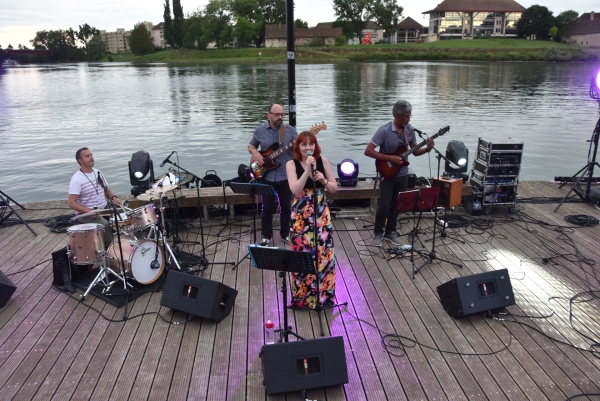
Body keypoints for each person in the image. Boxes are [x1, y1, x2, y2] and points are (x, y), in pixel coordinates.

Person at [364, 100, 434, 247]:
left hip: (402, 174)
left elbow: (415, 152)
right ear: (397, 115)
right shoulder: (384, 130)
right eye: (406, 117)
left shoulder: (410, 130)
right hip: (387, 173)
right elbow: (368, 151)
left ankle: (391, 232)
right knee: (384, 205)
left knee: (398, 204)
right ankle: (378, 233)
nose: (409, 119)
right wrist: (389, 158)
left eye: (410, 116)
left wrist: (428, 148)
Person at [286, 131, 337, 308]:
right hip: (301, 214)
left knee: (323, 255)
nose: (308, 148)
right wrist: (307, 169)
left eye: (311, 144)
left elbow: (334, 188)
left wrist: (323, 180)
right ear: (298, 147)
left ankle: (324, 297)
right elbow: (295, 189)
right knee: (302, 254)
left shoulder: (323, 161)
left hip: (321, 213)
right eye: (304, 144)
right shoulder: (291, 164)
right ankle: (303, 300)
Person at [248, 104, 297, 246]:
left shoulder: (290, 131)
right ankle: (266, 235)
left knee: (286, 207)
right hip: (266, 176)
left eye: (282, 114)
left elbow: (297, 150)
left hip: (285, 175)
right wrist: (256, 153)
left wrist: (296, 151)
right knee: (267, 207)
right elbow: (251, 146)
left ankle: (285, 233)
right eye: (276, 114)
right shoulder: (260, 130)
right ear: (269, 115)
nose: (280, 117)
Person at [68, 147, 123, 248]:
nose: (91, 158)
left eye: (91, 155)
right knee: (104, 225)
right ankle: (110, 250)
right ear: (80, 161)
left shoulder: (98, 173)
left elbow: (106, 190)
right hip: (87, 213)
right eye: (87, 156)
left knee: (125, 214)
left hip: (103, 207)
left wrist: (114, 197)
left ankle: (126, 243)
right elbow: (72, 203)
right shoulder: (76, 179)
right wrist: (89, 211)